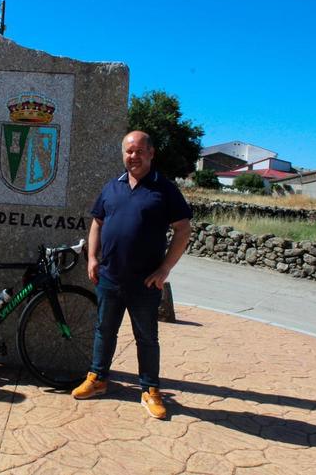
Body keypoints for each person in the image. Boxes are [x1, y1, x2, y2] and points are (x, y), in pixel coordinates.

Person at [71, 130, 192, 419]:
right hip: (109, 277)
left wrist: (164, 269)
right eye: (128, 151)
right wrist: (91, 258)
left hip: (145, 281)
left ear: (151, 153)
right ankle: (98, 378)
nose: (133, 156)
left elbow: (183, 229)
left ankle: (150, 389)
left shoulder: (165, 189)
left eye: (139, 151)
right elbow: (97, 222)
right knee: (104, 331)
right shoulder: (113, 187)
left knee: (146, 338)